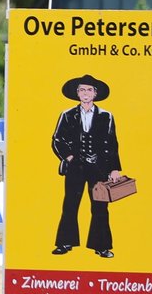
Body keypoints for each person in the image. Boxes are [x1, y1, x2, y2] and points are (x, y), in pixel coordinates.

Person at [50, 73, 121, 258]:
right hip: (75, 168)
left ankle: (102, 246)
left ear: (95, 93)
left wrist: (114, 168)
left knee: (100, 206)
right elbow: (57, 140)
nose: (86, 93)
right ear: (77, 93)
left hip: (98, 168)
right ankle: (65, 242)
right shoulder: (67, 115)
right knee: (70, 204)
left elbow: (112, 143)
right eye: (82, 89)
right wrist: (70, 157)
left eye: (89, 89)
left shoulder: (106, 116)